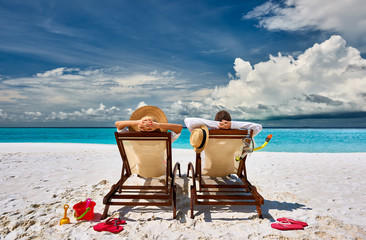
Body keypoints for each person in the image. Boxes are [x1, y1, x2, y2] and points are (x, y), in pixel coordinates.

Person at [115, 105, 183, 142]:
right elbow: (179, 127)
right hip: (160, 168)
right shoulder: (164, 139)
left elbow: (118, 124)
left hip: (138, 168)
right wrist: (157, 125)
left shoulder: (132, 138)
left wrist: (137, 122)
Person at [184, 110, 262, 137]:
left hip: (208, 168)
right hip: (231, 168)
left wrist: (216, 125)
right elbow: (258, 127)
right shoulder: (240, 135)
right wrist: (231, 125)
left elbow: (188, 121)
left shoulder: (205, 135)